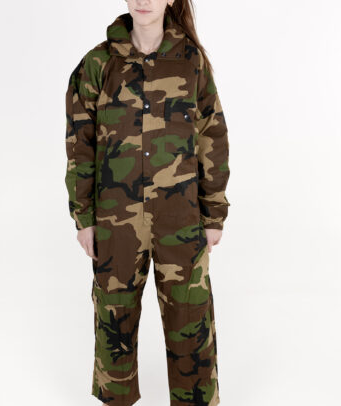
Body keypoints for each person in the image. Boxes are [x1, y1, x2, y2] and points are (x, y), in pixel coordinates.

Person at [64, 0, 230, 404]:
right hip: (115, 221)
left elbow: (212, 136)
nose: (143, 0)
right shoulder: (97, 65)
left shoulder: (191, 62)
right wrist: (84, 217)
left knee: (190, 317)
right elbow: (80, 147)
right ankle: (117, 398)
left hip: (181, 218)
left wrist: (214, 214)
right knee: (114, 318)